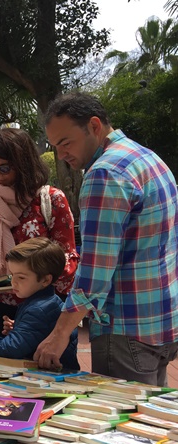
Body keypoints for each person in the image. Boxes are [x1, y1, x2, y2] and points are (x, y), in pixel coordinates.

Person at [35, 92, 178, 385]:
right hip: (163, 320)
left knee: (123, 429)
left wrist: (58, 335)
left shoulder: (104, 173)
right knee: (150, 424)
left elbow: (94, 274)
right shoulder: (147, 157)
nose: (61, 155)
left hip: (126, 329)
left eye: (65, 143)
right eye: (55, 146)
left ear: (95, 126)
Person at [0, 128, 79, 341]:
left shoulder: (51, 200)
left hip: (38, 308)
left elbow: (67, 261)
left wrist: (30, 277)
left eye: (4, 168)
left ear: (24, 165)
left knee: (40, 371)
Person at [0, 237, 80, 370]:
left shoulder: (39, 308)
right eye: (12, 275)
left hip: (55, 378)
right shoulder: (44, 302)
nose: (13, 282)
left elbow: (11, 348)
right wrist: (20, 328)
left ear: (45, 280)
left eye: (21, 277)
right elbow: (36, 334)